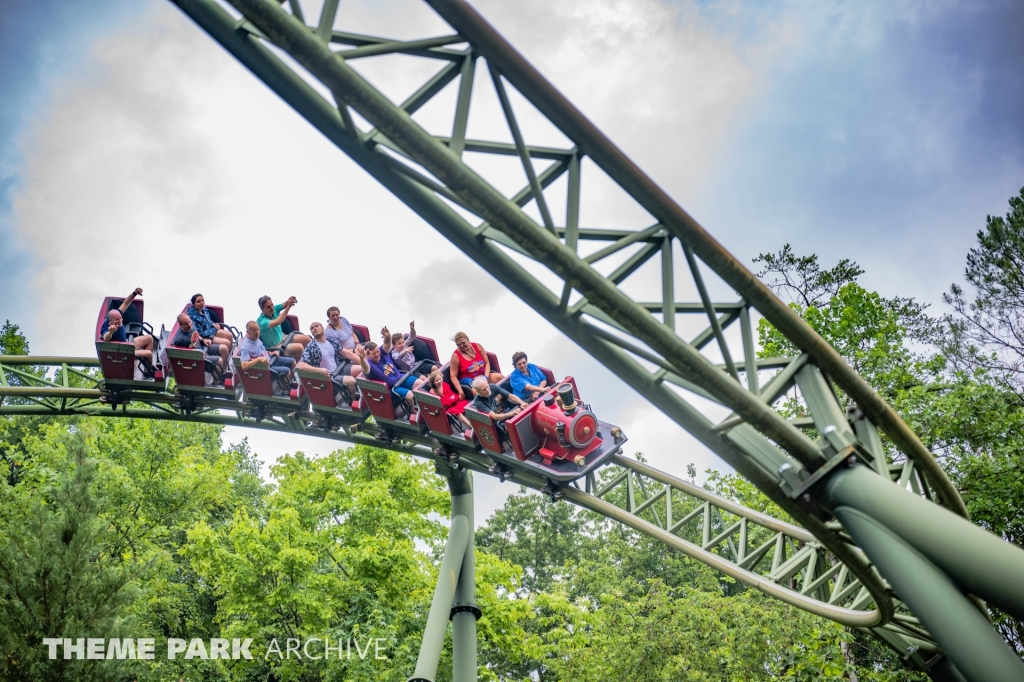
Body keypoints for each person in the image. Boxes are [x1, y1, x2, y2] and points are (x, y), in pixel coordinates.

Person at [296, 321, 357, 405]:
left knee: (360, 369)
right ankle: (350, 403)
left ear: (322, 328)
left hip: (339, 369)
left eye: (316, 326)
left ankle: (356, 395)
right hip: (328, 378)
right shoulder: (311, 346)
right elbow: (301, 366)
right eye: (312, 328)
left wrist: (364, 363)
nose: (314, 329)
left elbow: (347, 353)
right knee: (351, 381)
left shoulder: (331, 341)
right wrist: (319, 370)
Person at [356, 341, 423, 410]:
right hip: (392, 389)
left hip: (402, 379)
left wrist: (387, 335)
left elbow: (387, 344)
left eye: (377, 351)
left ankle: (421, 405)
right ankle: (413, 410)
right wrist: (362, 358)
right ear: (368, 355)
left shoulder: (382, 353)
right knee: (409, 395)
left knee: (420, 383)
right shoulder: (369, 365)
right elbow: (365, 368)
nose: (377, 354)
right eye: (373, 354)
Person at [100, 287, 155, 365]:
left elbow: (126, 303)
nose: (120, 321)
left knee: (149, 338)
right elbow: (106, 337)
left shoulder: (118, 315)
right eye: (117, 320)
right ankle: (149, 372)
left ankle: (146, 366)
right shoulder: (106, 327)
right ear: (110, 321)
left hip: (127, 343)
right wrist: (111, 332)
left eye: (120, 318)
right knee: (149, 353)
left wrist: (135, 293)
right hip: (125, 352)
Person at [237, 320, 295, 391]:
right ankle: (283, 391)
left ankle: (288, 383)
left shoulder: (256, 338)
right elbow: (244, 365)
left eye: (257, 329)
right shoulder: (245, 347)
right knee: (287, 371)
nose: (257, 332)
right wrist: (258, 360)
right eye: (254, 331)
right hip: (264, 369)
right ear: (248, 332)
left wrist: (270, 353)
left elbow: (261, 350)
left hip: (270, 360)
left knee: (293, 362)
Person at [171, 313, 227, 379]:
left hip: (202, 349)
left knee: (224, 348)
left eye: (189, 322)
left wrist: (203, 340)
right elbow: (184, 356)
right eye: (186, 324)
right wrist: (197, 353)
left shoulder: (192, 324)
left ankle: (223, 374)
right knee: (219, 360)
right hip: (197, 358)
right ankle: (217, 382)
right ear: (180, 324)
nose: (189, 325)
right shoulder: (179, 339)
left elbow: (196, 334)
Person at [450, 332, 503, 400]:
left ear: (468, 340)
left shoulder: (477, 346)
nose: (462, 346)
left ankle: (507, 397)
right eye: (458, 345)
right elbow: (453, 376)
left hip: (483, 376)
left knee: (499, 377)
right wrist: (461, 392)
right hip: (471, 382)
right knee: (479, 391)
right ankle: (492, 405)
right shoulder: (455, 356)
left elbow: (486, 363)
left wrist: (485, 378)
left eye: (463, 343)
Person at [257, 295, 310, 362]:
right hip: (275, 347)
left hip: (284, 338)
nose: (272, 308)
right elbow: (277, 322)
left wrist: (289, 301)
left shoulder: (274, 309)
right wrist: (288, 308)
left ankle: (307, 361)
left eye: (272, 305)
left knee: (307, 339)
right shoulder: (261, 321)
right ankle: (295, 368)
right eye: (268, 307)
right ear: (262, 309)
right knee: (299, 348)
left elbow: (284, 304)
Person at [323, 307, 362, 378]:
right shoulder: (329, 333)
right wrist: (353, 351)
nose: (335, 317)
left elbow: (352, 333)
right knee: (365, 363)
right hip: (346, 356)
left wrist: (358, 344)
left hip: (356, 347)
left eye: (336, 315)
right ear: (329, 317)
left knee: (371, 351)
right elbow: (339, 351)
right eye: (332, 316)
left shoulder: (343, 320)